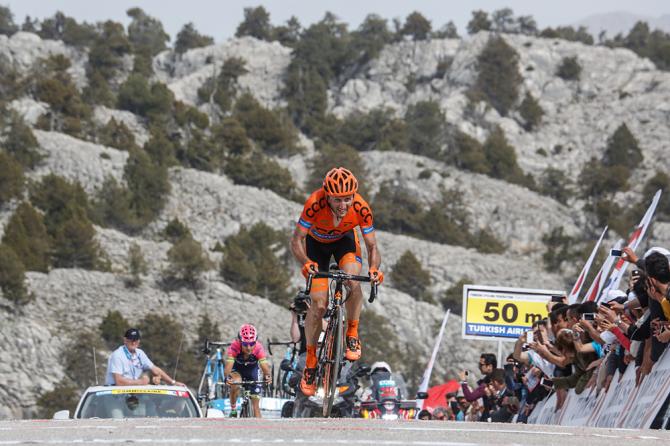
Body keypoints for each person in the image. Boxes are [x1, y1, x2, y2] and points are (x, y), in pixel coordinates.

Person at [290, 167, 383, 396]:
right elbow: (297, 240)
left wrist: (373, 268)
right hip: (315, 247)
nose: (344, 204)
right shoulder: (314, 203)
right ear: (328, 196)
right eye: (338, 199)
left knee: (353, 282)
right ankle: (311, 359)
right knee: (319, 305)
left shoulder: (360, 207)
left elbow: (372, 246)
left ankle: (351, 332)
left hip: (345, 242)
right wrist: (305, 261)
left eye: (348, 198)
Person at [105, 328, 185, 387]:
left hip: (134, 393)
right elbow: (119, 382)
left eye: (136, 340)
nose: (134, 343)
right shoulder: (117, 355)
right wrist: (140, 382)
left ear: (139, 341)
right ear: (125, 340)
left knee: (150, 408)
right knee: (117, 411)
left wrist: (173, 383)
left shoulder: (140, 353)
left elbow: (156, 370)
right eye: (131, 340)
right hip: (115, 393)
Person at [224, 324, 272, 418]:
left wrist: (268, 376)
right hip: (237, 370)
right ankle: (233, 410)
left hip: (252, 371)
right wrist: (227, 377)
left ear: (256, 341)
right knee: (236, 383)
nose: (249, 347)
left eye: (252, 343)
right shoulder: (235, 346)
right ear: (240, 341)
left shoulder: (258, 348)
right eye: (245, 344)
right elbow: (228, 367)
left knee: (256, 408)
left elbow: (264, 367)